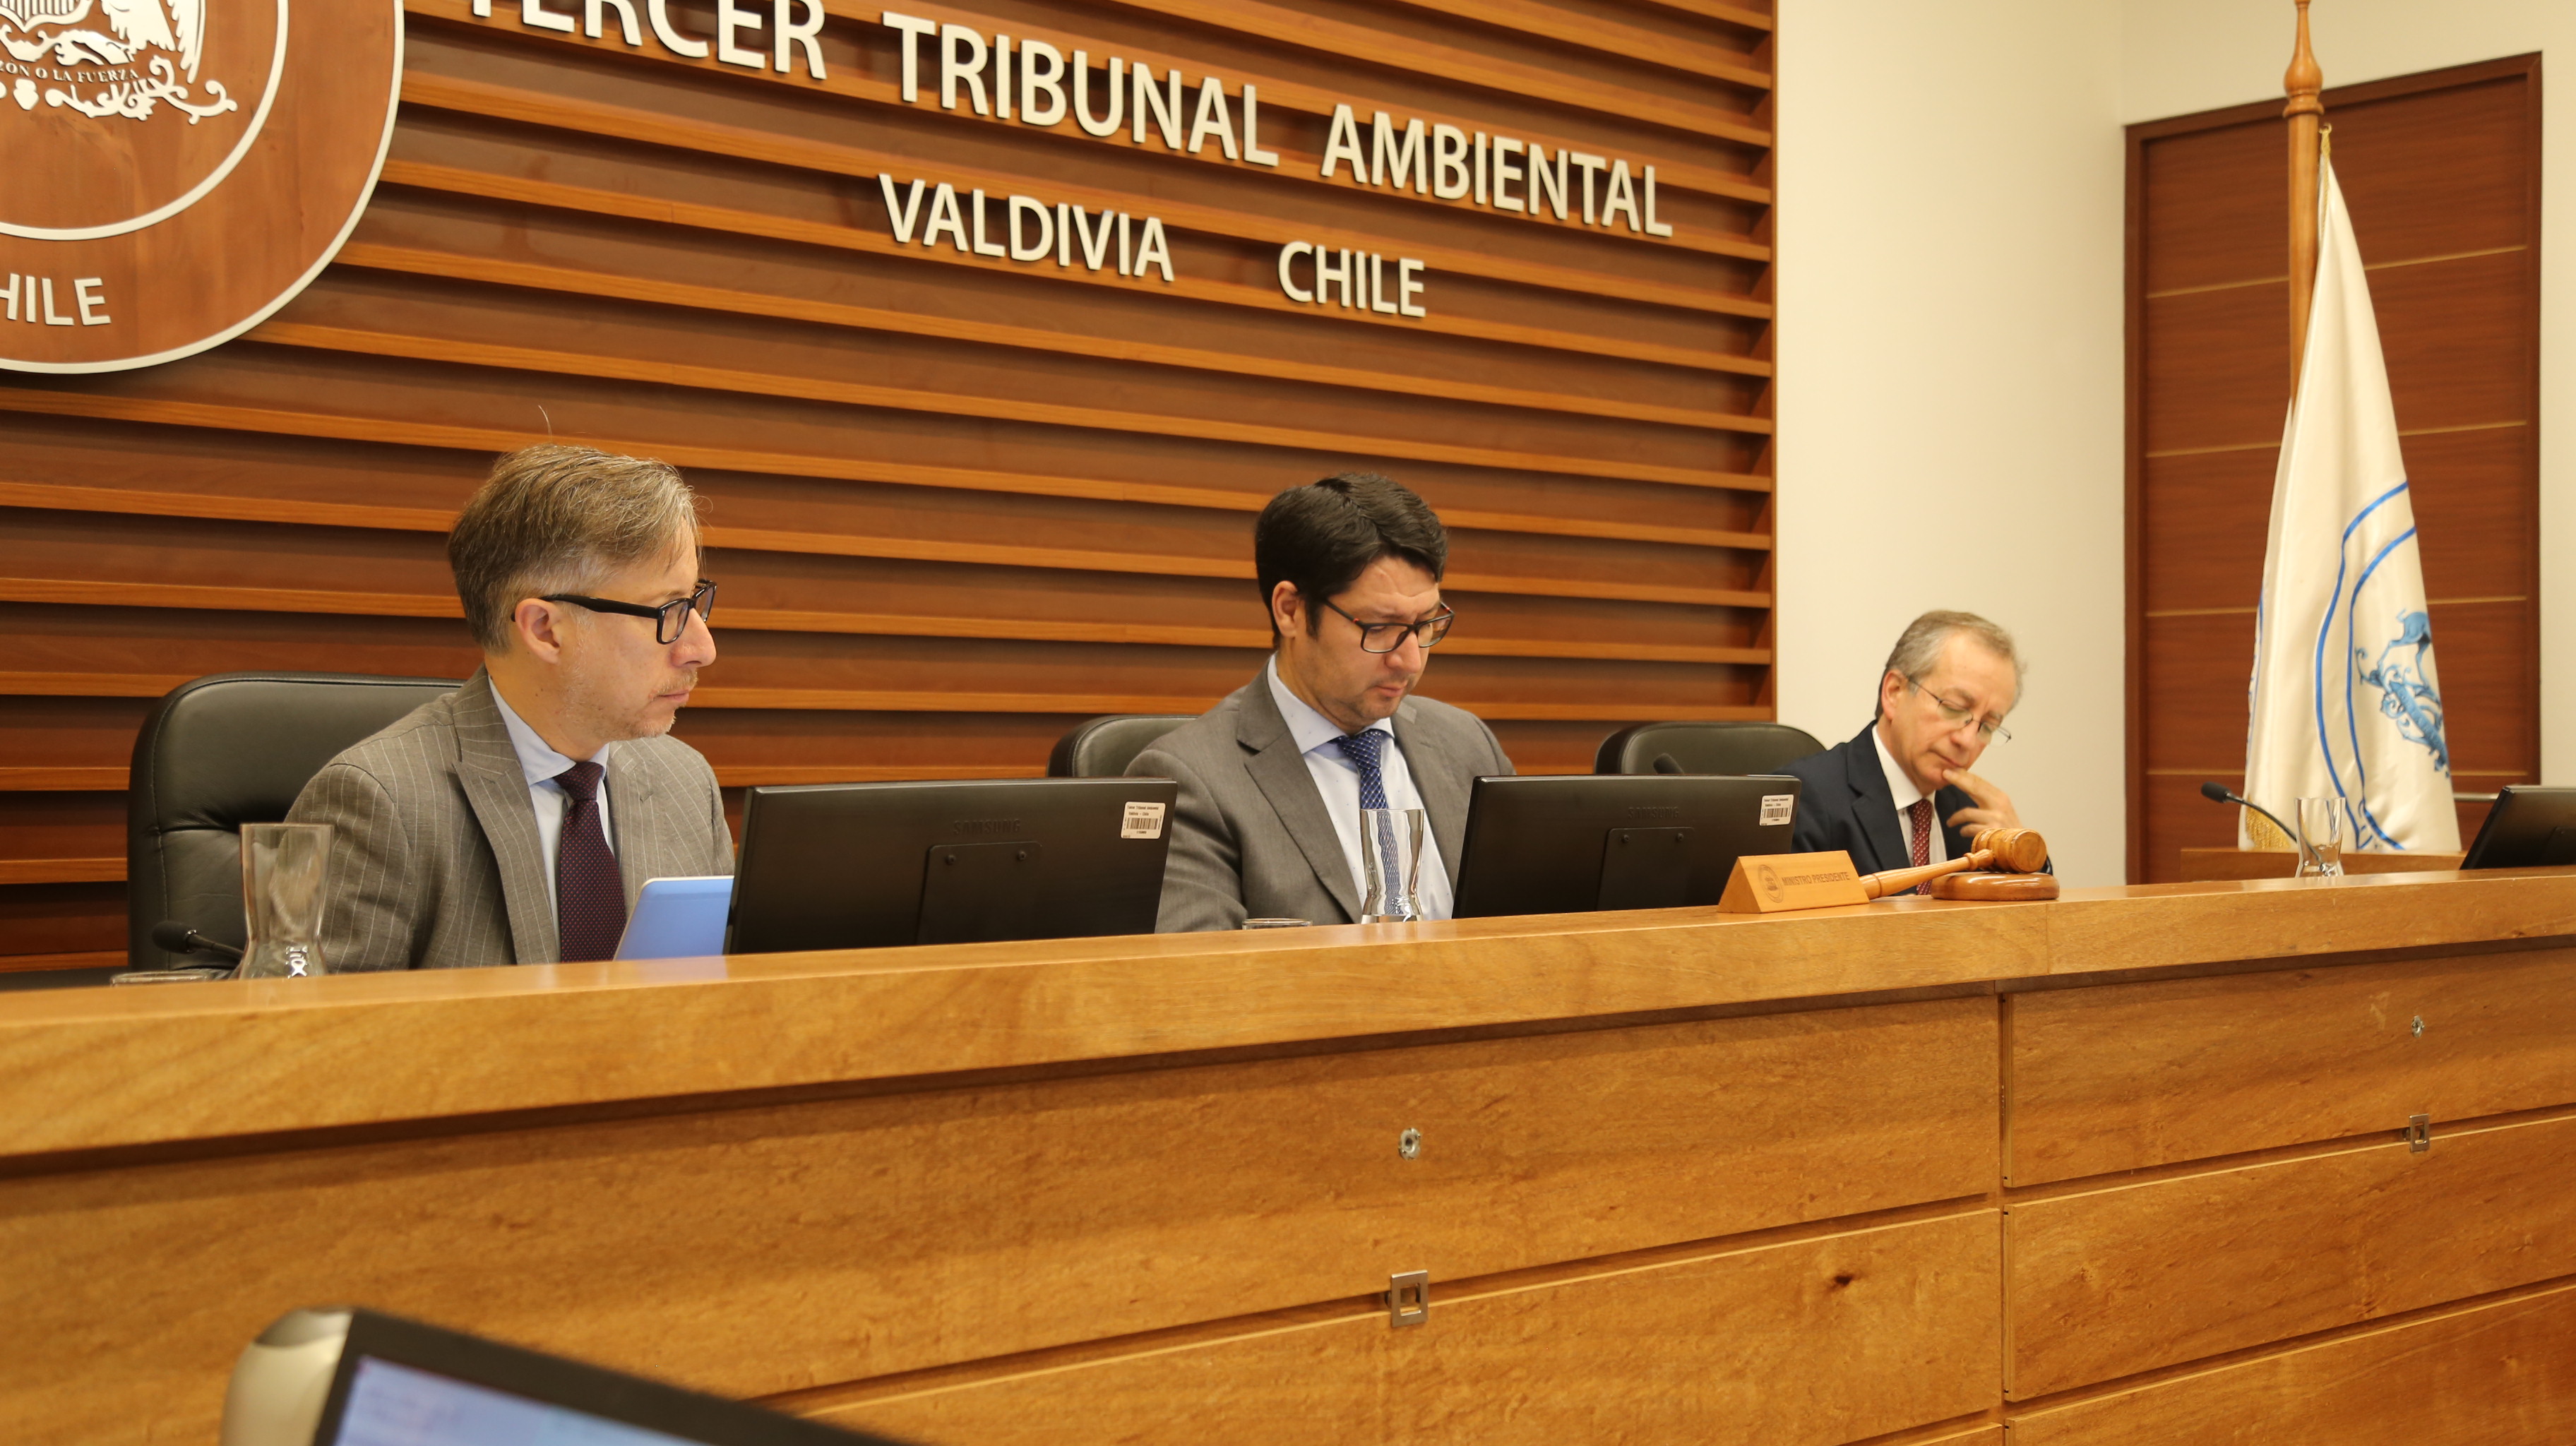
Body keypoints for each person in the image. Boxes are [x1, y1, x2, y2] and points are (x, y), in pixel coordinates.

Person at [286, 445, 733, 970]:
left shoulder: (686, 782)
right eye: (668, 611)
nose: (702, 649)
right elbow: (318, 1020)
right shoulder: (380, 802)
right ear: (545, 630)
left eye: (694, 602)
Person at [1132, 472, 1513, 931]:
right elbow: (1203, 968)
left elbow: (1539, 927)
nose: (1410, 660)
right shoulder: (1190, 780)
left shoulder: (1467, 744)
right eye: (1379, 627)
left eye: (1426, 623)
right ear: (1290, 610)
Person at [1781, 610, 2029, 876]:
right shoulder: (1804, 802)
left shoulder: (1975, 818)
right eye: (1955, 708)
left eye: (1988, 726)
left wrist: (2022, 853)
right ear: (1894, 693)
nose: (1967, 741)